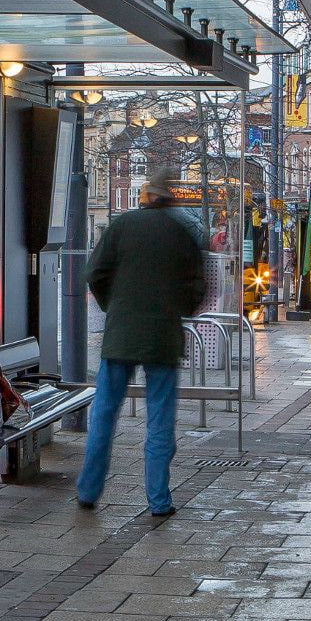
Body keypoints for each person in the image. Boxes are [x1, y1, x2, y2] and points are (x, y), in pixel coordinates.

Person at [76, 170, 206, 517]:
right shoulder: (182, 233)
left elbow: (94, 273)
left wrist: (112, 305)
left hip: (120, 336)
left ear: (145, 197)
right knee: (160, 419)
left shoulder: (121, 226)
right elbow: (197, 286)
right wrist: (178, 309)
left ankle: (88, 490)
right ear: (171, 198)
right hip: (163, 338)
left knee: (104, 413)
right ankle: (158, 501)